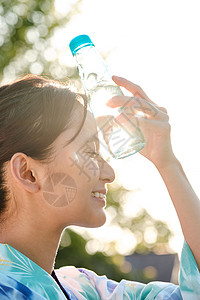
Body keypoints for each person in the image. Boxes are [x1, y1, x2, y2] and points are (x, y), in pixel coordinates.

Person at [0, 74, 199, 300]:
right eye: (90, 152)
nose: (109, 174)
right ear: (28, 173)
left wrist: (168, 163)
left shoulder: (85, 289)